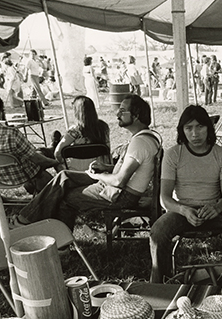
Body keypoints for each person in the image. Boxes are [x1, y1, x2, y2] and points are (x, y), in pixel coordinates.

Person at [12, 94, 160, 230]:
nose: (117, 114)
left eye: (122, 111)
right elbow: (132, 169)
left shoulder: (140, 143)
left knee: (66, 198)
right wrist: (105, 167)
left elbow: (119, 181)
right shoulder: (146, 137)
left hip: (120, 194)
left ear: (136, 116)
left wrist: (97, 176)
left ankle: (57, 241)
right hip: (117, 188)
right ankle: (27, 218)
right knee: (64, 176)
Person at [149, 105, 222, 282]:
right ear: (182, 131)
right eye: (189, 128)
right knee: (158, 231)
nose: (195, 134)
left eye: (200, 127)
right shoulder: (173, 154)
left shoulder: (221, 155)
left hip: (214, 209)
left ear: (209, 128)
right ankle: (161, 282)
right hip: (182, 211)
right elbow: (165, 198)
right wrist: (184, 210)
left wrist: (216, 208)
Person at [53, 95, 111, 169]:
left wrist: (63, 162)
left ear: (77, 112)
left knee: (55, 164)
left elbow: (57, 152)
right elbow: (107, 149)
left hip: (76, 172)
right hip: (99, 169)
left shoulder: (75, 131)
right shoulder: (103, 128)